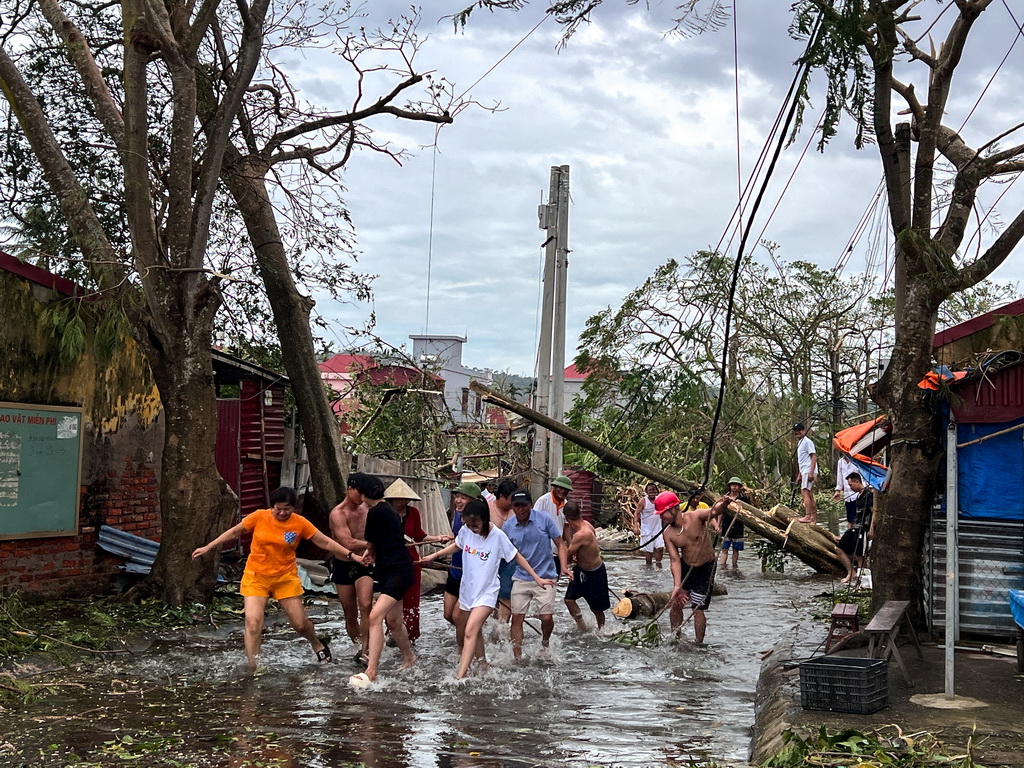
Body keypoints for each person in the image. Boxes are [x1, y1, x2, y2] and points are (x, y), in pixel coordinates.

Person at [192, 486, 364, 672]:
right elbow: (235, 532)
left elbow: (325, 542)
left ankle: (317, 643)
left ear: (294, 507)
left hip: (285, 578)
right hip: (256, 576)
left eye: (287, 509)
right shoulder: (259, 516)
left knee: (300, 624)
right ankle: (253, 667)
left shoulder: (300, 523)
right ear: (271, 506)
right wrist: (209, 546)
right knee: (252, 623)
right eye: (278, 508)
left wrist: (350, 555)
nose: (282, 512)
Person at [421, 498, 554, 679]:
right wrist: (434, 555)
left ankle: (461, 675)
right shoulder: (466, 531)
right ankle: (483, 663)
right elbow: (457, 545)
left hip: (487, 593)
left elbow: (517, 556)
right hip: (468, 590)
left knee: (470, 630)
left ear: (484, 519)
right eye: (468, 525)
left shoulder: (498, 536)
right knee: (469, 626)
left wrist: (536, 577)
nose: (472, 529)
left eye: (475, 525)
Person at [347, 474, 417, 687]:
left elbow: (371, 542)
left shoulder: (376, 512)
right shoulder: (388, 509)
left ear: (363, 493)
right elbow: (379, 543)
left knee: (375, 616)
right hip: (391, 570)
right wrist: (371, 554)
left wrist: (368, 553)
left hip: (398, 571)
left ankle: (372, 670)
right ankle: (410, 657)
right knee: (394, 621)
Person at [504, 487, 570, 661]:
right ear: (512, 507)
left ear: (531, 505)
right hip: (521, 576)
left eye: (524, 506)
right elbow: (502, 552)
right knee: (517, 617)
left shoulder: (544, 520)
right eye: (517, 506)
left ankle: (545, 642)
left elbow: (560, 544)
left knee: (546, 618)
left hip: (546, 574)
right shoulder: (508, 527)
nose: (521, 510)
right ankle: (517, 657)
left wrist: (564, 566)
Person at [385, 478, 452, 643]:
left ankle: (410, 635)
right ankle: (392, 632)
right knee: (391, 599)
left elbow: (419, 536)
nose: (402, 501)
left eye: (405, 498)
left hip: (412, 562)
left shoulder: (413, 513)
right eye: (399, 498)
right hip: (391, 562)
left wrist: (437, 538)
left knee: (412, 599)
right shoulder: (384, 513)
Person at [658, 491, 729, 644]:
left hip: (706, 568)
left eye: (663, 513)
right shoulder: (668, 533)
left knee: (698, 607)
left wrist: (724, 503)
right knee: (677, 603)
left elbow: (714, 511)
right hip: (686, 566)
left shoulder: (695, 516)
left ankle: (698, 643)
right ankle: (675, 637)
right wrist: (677, 585)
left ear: (674, 508)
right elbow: (675, 560)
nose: (661, 517)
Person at [329, 474, 375, 662]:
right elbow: (346, 542)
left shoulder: (368, 508)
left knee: (366, 605)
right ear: (349, 489)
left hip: (364, 563)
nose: (362, 497)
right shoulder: (338, 513)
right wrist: (372, 544)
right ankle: (357, 644)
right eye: (360, 493)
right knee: (350, 612)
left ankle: (367, 648)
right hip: (343, 563)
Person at [443, 481, 482, 653]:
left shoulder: (478, 523)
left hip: (470, 576)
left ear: (473, 501)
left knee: (458, 616)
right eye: (457, 496)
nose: (458, 500)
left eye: (463, 498)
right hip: (455, 570)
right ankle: (473, 632)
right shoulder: (457, 515)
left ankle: (463, 651)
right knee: (448, 614)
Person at [563, 501, 610, 631]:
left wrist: (564, 565)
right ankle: (581, 626)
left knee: (596, 608)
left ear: (566, 517)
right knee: (569, 599)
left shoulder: (582, 534)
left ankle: (601, 630)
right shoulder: (587, 525)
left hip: (595, 573)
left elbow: (568, 553)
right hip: (581, 570)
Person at [835, 472, 875, 585]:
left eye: (851, 484)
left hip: (863, 528)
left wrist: (872, 528)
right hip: (854, 527)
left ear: (857, 482)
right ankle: (851, 572)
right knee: (839, 549)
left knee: (859, 556)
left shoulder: (869, 494)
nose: (850, 488)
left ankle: (862, 580)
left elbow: (873, 512)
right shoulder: (858, 495)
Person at [487, 479, 519, 623]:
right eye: (511, 500)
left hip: (510, 558)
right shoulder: (487, 509)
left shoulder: (516, 511)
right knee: (490, 594)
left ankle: (502, 626)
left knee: (506, 592)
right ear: (501, 497)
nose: (514, 504)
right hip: (489, 558)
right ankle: (493, 621)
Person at [534, 474, 573, 573]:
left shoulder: (566, 505)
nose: (563, 491)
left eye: (565, 489)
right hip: (542, 552)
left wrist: (570, 547)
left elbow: (566, 528)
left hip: (557, 551)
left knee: (554, 580)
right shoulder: (543, 501)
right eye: (560, 488)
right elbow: (534, 524)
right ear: (554, 487)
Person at [717, 477, 749, 569]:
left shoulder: (743, 499)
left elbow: (747, 513)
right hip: (726, 525)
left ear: (739, 487)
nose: (734, 487)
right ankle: (723, 567)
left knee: (736, 550)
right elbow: (720, 512)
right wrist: (718, 524)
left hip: (738, 526)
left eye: (736, 485)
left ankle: (734, 567)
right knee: (724, 549)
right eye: (732, 485)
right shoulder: (725, 497)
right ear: (730, 486)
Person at [633, 482, 664, 568]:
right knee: (649, 552)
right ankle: (649, 568)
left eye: (653, 490)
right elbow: (637, 513)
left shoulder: (659, 500)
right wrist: (636, 525)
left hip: (658, 529)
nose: (652, 492)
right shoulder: (643, 501)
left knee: (660, 548)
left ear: (656, 491)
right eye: (650, 490)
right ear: (646, 491)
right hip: (647, 530)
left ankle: (658, 565)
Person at [792, 422, 818, 524]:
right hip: (805, 470)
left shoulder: (807, 442)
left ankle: (808, 516)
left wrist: (811, 472)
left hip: (808, 470)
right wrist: (799, 475)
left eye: (799, 430)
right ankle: (813, 518)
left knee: (805, 492)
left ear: (803, 430)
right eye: (796, 431)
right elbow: (802, 461)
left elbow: (813, 456)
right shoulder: (800, 443)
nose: (797, 432)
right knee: (809, 494)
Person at [834, 455, 858, 530]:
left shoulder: (857, 459)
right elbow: (840, 476)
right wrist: (838, 490)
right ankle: (849, 535)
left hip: (857, 493)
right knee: (850, 518)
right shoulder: (840, 462)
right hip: (848, 495)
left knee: (857, 517)